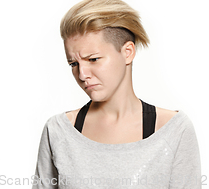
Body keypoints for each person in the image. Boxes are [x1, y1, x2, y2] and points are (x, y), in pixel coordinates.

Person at [33, 0, 201, 188]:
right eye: (74, 64)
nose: (82, 74)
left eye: (93, 59)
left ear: (128, 52)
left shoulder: (173, 130)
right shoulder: (58, 131)